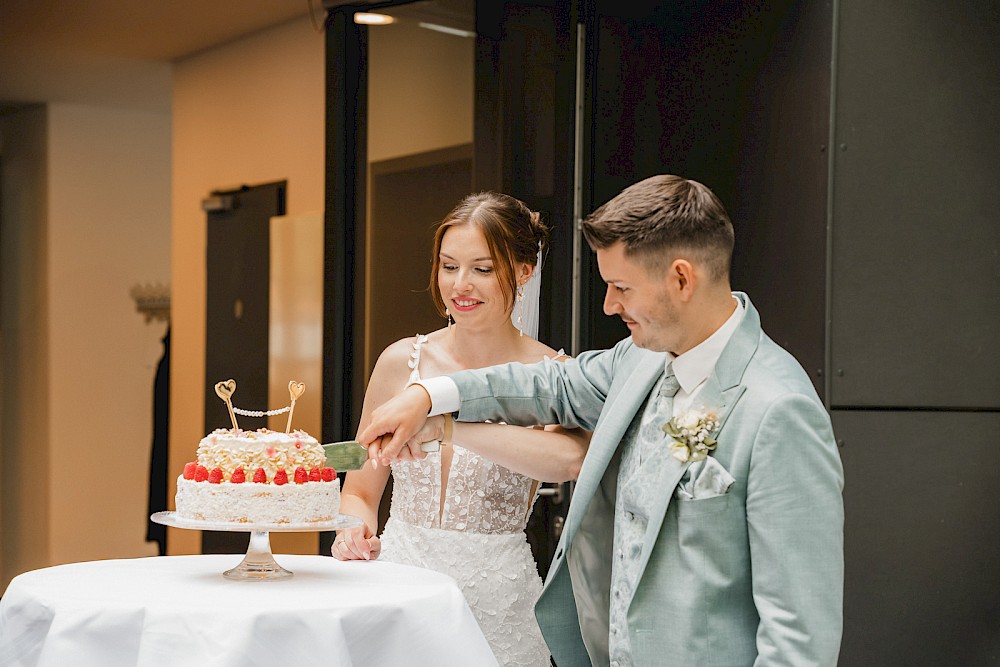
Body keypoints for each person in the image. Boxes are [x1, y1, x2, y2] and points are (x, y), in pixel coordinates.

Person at [359, 175, 845, 666]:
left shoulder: (778, 410)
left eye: (621, 287)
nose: (610, 305)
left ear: (681, 279)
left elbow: (798, 638)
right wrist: (429, 395)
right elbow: (548, 386)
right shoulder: (638, 358)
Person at [334, 192, 590, 666]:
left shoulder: (552, 374)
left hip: (499, 609)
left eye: (483, 269)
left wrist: (449, 427)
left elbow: (573, 460)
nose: (460, 285)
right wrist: (355, 531)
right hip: (399, 590)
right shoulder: (400, 362)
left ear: (523, 271)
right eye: (449, 266)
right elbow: (361, 492)